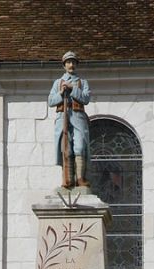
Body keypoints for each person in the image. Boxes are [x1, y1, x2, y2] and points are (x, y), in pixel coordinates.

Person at [48, 51, 91, 189]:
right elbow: (50, 101)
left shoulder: (82, 82)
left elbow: (86, 98)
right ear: (64, 65)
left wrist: (72, 88)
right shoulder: (58, 82)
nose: (71, 65)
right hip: (63, 118)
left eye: (73, 62)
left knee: (79, 147)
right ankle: (67, 180)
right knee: (66, 149)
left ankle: (80, 179)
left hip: (78, 117)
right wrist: (61, 93)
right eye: (68, 62)